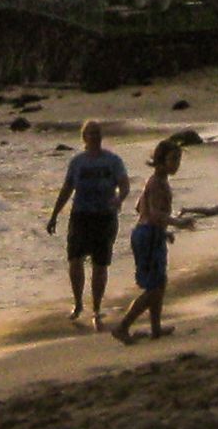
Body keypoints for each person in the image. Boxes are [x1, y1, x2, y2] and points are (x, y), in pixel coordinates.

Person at [45, 120, 131, 324]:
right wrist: (54, 215)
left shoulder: (113, 160)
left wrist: (119, 198)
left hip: (105, 216)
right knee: (75, 260)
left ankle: (97, 306)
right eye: (90, 133)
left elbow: (124, 185)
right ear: (84, 138)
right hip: (80, 216)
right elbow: (67, 189)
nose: (94, 137)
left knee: (100, 264)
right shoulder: (77, 162)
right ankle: (77, 303)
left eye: (97, 133)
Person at [111, 139, 183, 343]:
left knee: (159, 284)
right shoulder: (157, 182)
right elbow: (153, 214)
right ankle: (123, 326)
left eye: (178, 159)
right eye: (172, 159)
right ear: (159, 160)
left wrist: (163, 231)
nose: (176, 164)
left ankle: (156, 328)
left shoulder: (157, 181)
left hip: (151, 233)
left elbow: (139, 207)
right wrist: (177, 223)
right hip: (148, 235)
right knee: (154, 288)